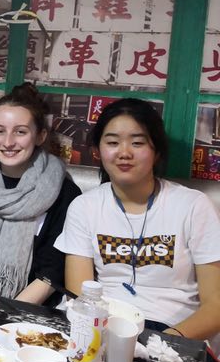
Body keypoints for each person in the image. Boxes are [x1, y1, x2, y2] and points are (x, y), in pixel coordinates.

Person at [55, 98, 220, 342]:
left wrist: (162, 342)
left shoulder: (194, 206)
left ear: (157, 151)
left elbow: (215, 305)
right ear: (97, 151)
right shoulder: (84, 207)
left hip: (173, 331)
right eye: (112, 142)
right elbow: (81, 296)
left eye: (137, 142)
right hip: (102, 327)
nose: (124, 153)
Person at [0, 83, 81, 305]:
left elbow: (52, 270)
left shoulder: (63, 192)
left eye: (20, 132)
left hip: (25, 310)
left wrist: (5, 313)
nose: (8, 142)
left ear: (40, 136)